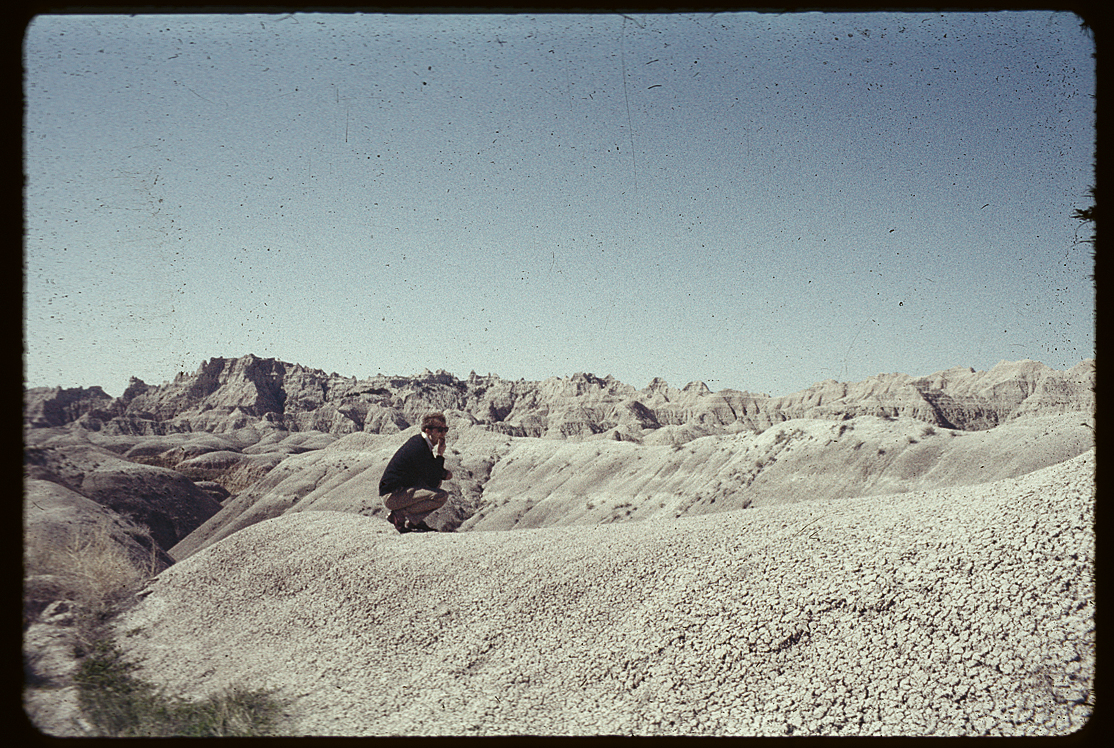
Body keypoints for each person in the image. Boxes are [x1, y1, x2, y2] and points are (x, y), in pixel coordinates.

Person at [379, 412, 454, 533]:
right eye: (440, 430)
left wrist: (442, 473)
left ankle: (414, 521)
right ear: (428, 430)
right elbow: (433, 479)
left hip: (399, 490)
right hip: (393, 496)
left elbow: (431, 473)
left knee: (436, 484)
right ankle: (399, 515)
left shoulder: (421, 443)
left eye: (445, 429)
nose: (443, 434)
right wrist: (440, 454)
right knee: (441, 496)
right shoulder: (420, 447)